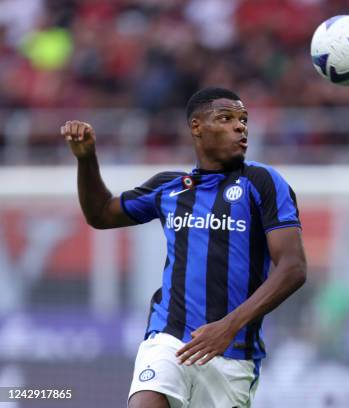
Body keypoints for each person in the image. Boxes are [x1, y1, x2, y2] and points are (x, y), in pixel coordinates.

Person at [61, 87, 307, 408]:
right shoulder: (170, 187)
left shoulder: (262, 183)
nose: (240, 127)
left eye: (243, 120)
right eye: (226, 118)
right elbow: (101, 214)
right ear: (196, 127)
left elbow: (293, 267)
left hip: (232, 355)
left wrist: (228, 326)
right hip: (169, 338)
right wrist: (86, 159)